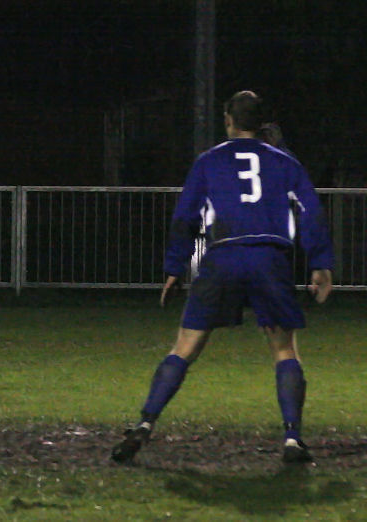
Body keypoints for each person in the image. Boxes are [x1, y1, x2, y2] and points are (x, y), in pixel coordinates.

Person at [111, 91, 334, 464]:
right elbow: (311, 210)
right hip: (269, 256)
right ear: (261, 123)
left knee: (185, 346)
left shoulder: (209, 160)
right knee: (284, 349)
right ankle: (292, 439)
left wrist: (174, 266)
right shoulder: (284, 161)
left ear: (228, 120)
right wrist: (320, 263)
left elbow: (186, 216)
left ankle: (144, 425)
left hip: (224, 255)